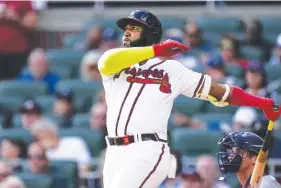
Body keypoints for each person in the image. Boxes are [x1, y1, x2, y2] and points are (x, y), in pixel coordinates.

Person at [98, 9, 281, 188]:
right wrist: (157, 49)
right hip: (114, 151)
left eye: (135, 28)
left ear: (149, 33)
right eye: (126, 28)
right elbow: (107, 61)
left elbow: (221, 91)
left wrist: (261, 102)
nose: (127, 32)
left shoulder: (172, 69)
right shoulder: (114, 64)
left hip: (147, 148)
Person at [217, 132, 281, 188]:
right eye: (232, 152)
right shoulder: (249, 184)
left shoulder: (264, 184)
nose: (230, 157)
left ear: (255, 159)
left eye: (239, 151)